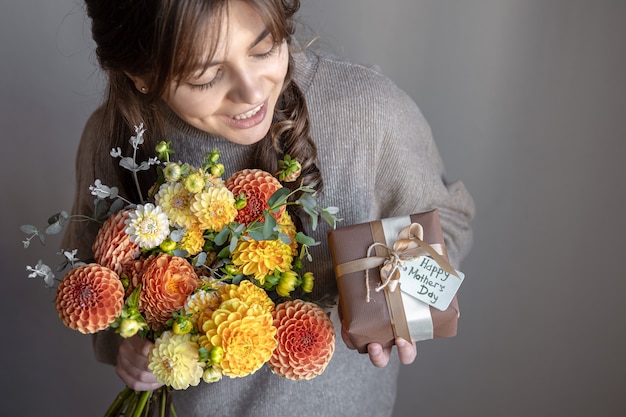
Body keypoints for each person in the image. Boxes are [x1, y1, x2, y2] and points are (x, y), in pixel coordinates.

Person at [62, 0, 474, 416]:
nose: (252, 91)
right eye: (205, 76)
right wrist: (130, 346)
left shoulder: (368, 109)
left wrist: (399, 306)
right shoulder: (115, 139)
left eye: (264, 48)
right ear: (143, 76)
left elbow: (450, 221)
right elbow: (89, 282)